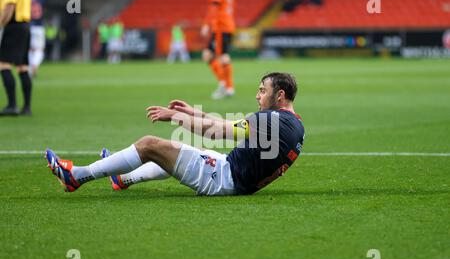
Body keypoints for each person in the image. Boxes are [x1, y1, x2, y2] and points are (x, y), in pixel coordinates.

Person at [45, 72, 305, 196]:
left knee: (149, 145)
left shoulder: (270, 121)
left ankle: (76, 176)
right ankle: (122, 177)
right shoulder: (293, 124)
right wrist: (194, 112)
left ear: (279, 95)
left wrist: (176, 117)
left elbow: (216, 132)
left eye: (262, 90)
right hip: (234, 174)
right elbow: (228, 124)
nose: (257, 95)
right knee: (179, 154)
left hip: (224, 179)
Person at [0, 0, 32, 116]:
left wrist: (1, 24)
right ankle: (26, 107)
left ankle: (12, 105)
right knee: (22, 67)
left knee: (3, 64)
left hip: (13, 25)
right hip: (25, 26)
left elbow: (10, 5)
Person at [201, 0, 236, 100]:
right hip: (226, 24)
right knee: (207, 55)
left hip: (221, 26)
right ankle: (224, 84)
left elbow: (214, 6)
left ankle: (227, 87)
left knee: (222, 56)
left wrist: (206, 24)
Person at [29, 0, 45, 78]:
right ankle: (35, 65)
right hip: (38, 28)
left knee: (30, 50)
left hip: (29, 27)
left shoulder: (26, 0)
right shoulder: (41, 0)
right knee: (39, 50)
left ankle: (30, 68)